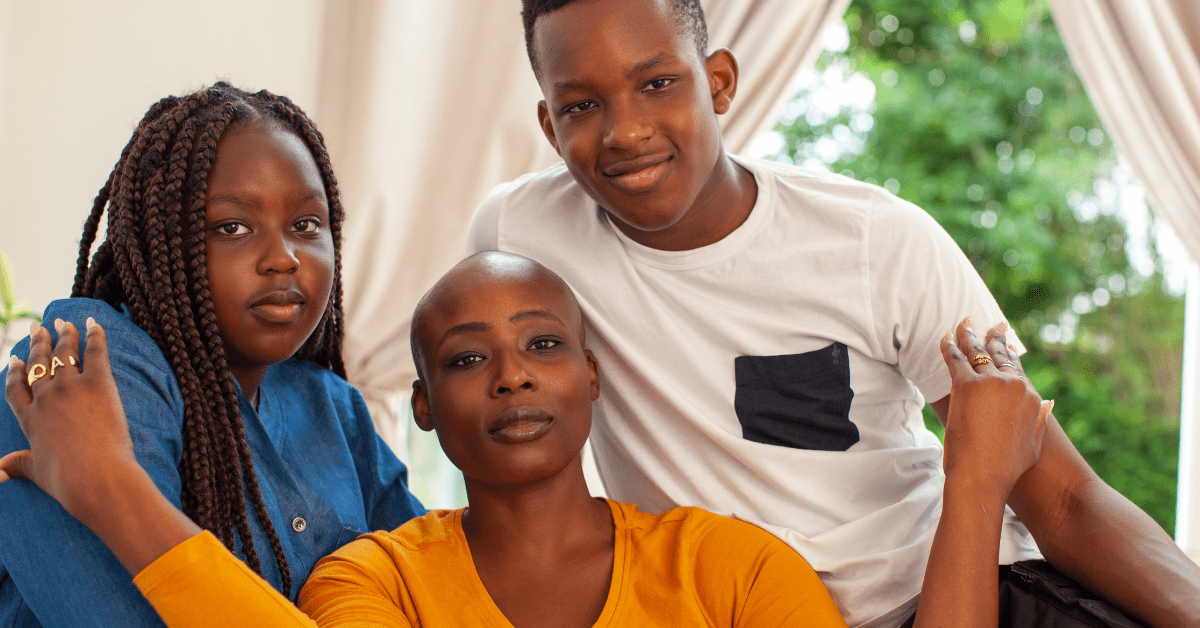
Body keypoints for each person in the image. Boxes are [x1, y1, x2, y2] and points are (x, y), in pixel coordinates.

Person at [466, 1, 1200, 626]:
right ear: (548, 122)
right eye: (582, 106)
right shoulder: (518, 235)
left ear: (719, 83)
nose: (626, 131)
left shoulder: (878, 240)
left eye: (657, 83)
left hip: (960, 587)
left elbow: (1064, 497)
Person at [2, 251, 1051, 627]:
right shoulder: (372, 581)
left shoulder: (729, 568)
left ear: (593, 376)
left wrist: (973, 481)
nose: (509, 373)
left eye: (543, 343)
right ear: (422, 408)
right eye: (465, 358)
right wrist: (103, 485)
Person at [0, 82, 424, 628]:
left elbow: (428, 587)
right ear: (158, 242)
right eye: (232, 227)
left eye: (306, 225)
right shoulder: (88, 363)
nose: (283, 257)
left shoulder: (332, 405)